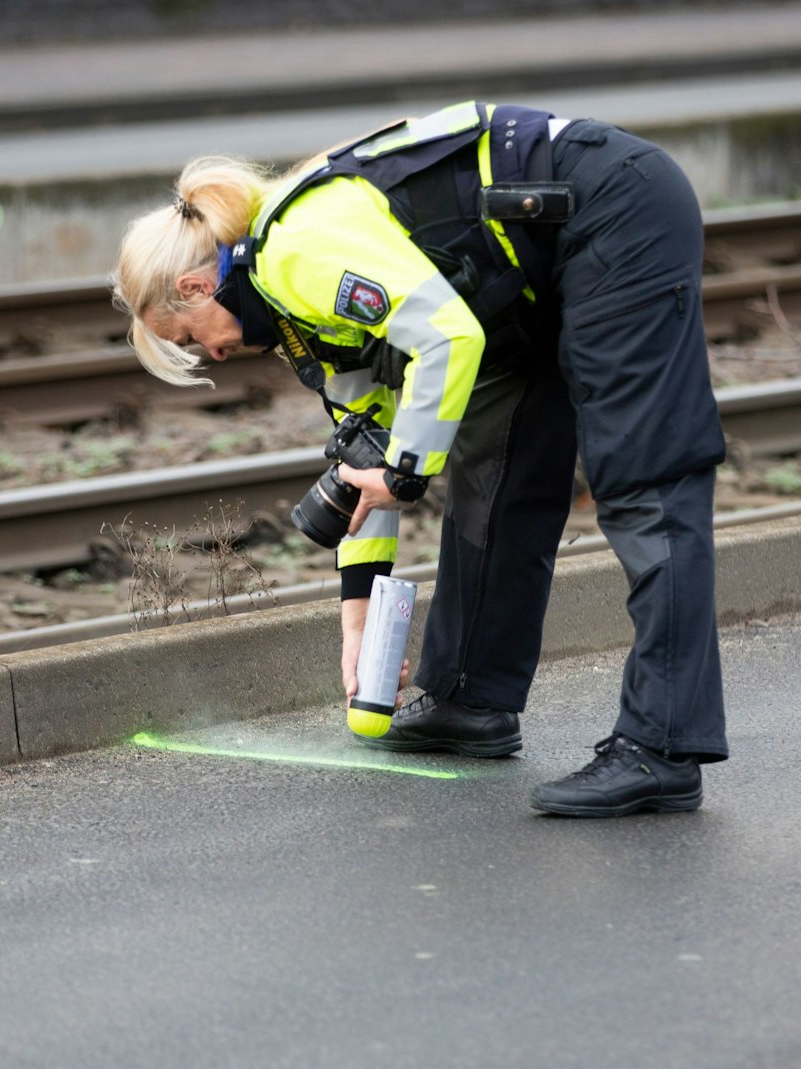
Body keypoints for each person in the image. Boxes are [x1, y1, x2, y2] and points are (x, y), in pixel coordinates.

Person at [112, 102, 729, 817]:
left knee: (644, 476)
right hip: (520, 275)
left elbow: (443, 339)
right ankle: (471, 699)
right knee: (494, 472)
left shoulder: (296, 254)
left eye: (189, 337)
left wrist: (408, 471)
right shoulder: (298, 319)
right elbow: (362, 467)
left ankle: (663, 744)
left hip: (612, 209)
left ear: (194, 288)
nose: (208, 354)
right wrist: (357, 624)